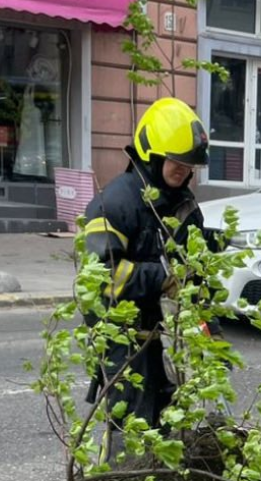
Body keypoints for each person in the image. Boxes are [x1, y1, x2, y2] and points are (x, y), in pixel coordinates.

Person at [82, 98, 220, 459]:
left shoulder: (185, 207)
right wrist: (161, 276)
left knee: (175, 434)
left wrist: (212, 335)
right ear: (151, 156)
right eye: (177, 162)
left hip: (172, 343)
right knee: (132, 440)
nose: (184, 171)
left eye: (189, 166)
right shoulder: (114, 203)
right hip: (127, 346)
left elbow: (194, 277)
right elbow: (98, 280)